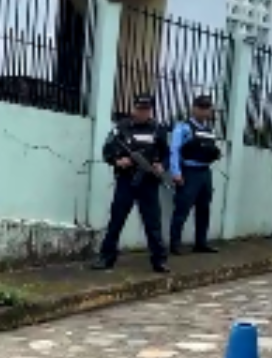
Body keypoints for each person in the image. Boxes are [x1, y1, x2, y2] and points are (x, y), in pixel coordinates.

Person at [90, 93, 170, 273]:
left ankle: (159, 260)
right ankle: (106, 258)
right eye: (140, 109)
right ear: (134, 108)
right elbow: (107, 151)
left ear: (151, 110)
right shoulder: (121, 128)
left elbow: (166, 154)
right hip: (127, 180)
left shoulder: (158, 129)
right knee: (116, 220)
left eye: (147, 109)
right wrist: (118, 161)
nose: (143, 113)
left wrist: (160, 166)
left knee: (152, 223)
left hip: (148, 182)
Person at [168, 95, 222, 255]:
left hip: (205, 172)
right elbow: (174, 151)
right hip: (189, 172)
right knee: (182, 209)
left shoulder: (209, 130)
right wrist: (176, 172)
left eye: (207, 108)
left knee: (204, 208)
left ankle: (201, 242)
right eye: (201, 108)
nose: (205, 111)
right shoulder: (183, 128)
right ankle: (175, 244)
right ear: (194, 108)